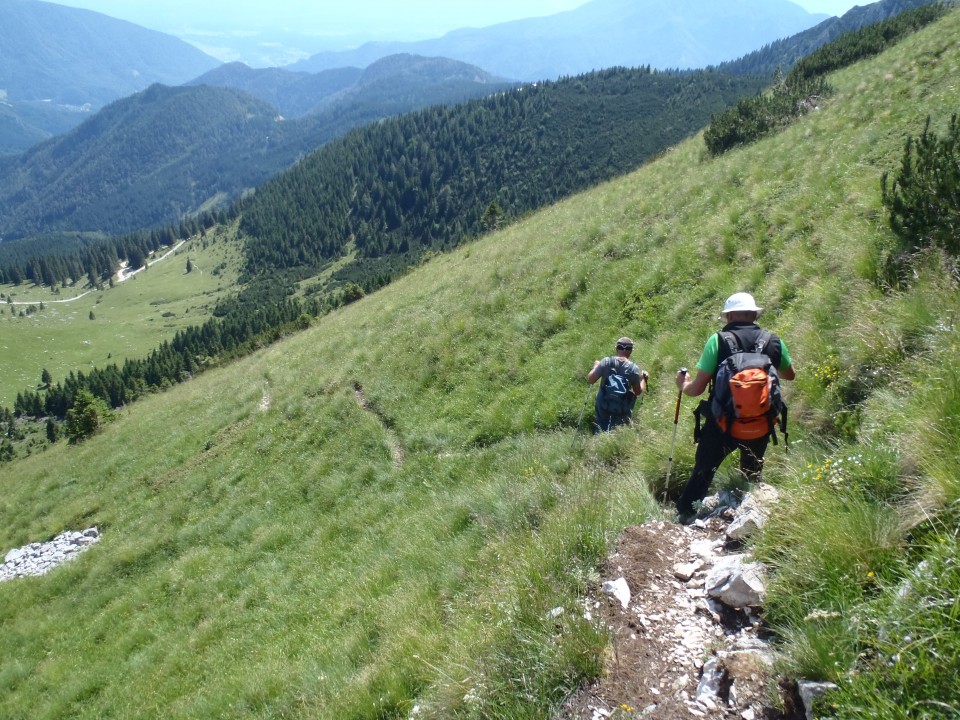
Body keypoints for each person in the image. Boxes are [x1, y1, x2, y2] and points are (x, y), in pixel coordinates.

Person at [674, 293, 796, 523]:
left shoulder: (718, 341)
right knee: (750, 475)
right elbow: (789, 374)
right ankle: (749, 520)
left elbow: (697, 389)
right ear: (753, 314)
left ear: (729, 315)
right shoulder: (773, 341)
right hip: (760, 422)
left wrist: (683, 385)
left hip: (722, 424)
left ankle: (685, 515)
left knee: (704, 470)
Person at [588, 337, 648, 432]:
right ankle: (614, 444)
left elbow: (591, 380)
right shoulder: (634, 369)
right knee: (617, 431)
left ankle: (597, 442)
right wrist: (644, 379)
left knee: (601, 427)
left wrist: (596, 366)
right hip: (621, 408)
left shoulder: (606, 362)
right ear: (631, 351)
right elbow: (638, 392)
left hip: (603, 404)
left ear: (616, 348)